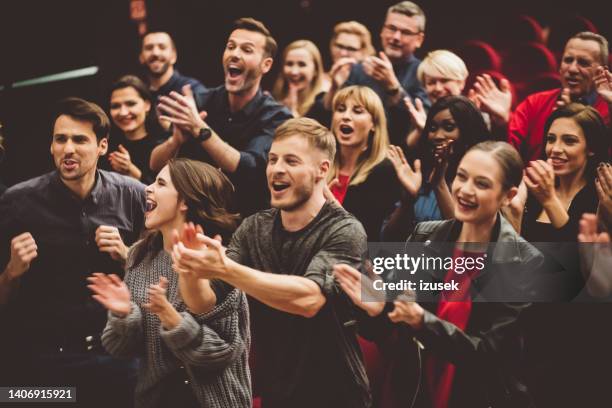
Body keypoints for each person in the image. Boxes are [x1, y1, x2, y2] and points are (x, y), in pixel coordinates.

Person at [171, 118, 372, 408]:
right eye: (272, 159)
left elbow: (309, 300)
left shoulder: (345, 229)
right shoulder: (254, 227)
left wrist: (225, 269)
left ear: (322, 170)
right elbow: (204, 304)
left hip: (337, 394)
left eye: (291, 161)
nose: (276, 169)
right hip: (276, 392)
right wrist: (191, 272)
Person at [336, 140, 539, 408]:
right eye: (461, 176)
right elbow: (391, 324)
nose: (465, 190)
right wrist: (377, 309)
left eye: (482, 184)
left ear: (509, 195)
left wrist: (423, 321)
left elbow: (488, 357)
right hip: (412, 392)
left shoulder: (523, 261)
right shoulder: (427, 235)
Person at [0, 97, 146, 406]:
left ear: (102, 146)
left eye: (80, 140)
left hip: (119, 356)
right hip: (45, 361)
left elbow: (162, 281)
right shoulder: (17, 201)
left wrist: (127, 254)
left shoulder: (132, 195)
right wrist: (11, 272)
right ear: (51, 146)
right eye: (60, 139)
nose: (68, 149)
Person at [89, 158, 251, 408]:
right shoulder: (139, 255)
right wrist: (124, 315)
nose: (147, 188)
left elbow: (222, 353)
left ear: (185, 201)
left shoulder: (218, 260)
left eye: (160, 183)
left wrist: (171, 318)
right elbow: (119, 348)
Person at [152, 17, 293, 216]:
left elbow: (248, 168)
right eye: (231, 46)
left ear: (266, 65)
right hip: (191, 217)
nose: (234, 54)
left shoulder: (276, 117)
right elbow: (155, 165)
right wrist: (174, 142)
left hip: (244, 222)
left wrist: (199, 129)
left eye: (247, 49)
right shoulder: (200, 102)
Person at [470, 32, 610, 163]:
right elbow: (509, 158)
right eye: (568, 60)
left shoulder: (608, 109)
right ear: (560, 67)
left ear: (601, 71)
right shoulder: (534, 103)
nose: (572, 69)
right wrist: (502, 123)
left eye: (583, 63)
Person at [322, 1, 429, 146]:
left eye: (405, 32)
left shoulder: (425, 73)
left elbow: (422, 124)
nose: (396, 37)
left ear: (419, 40)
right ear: (382, 31)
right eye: (391, 28)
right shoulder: (360, 69)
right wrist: (335, 87)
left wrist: (394, 88)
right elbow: (332, 115)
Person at [383, 96, 490, 241]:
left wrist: (439, 184)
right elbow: (388, 239)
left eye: (449, 128)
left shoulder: (484, 182)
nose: (438, 136)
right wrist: (407, 202)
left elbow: (466, 241)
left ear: (468, 131)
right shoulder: (419, 175)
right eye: (432, 128)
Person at [327, 85, 399, 241]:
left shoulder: (383, 172)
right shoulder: (321, 164)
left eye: (357, 111)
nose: (346, 116)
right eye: (340, 109)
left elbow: (370, 236)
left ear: (373, 124)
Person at [105, 75, 167, 184]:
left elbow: (167, 194)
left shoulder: (163, 146)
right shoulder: (106, 147)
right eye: (115, 106)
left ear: (147, 105)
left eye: (131, 104)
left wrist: (131, 171)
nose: (123, 112)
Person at [405, 49, 469, 148]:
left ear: (461, 83)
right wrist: (421, 130)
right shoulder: (422, 112)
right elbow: (409, 147)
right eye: (431, 82)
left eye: (444, 80)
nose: (438, 88)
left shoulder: (475, 111)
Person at [139, 31, 206, 109]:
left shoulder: (192, 89)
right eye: (149, 48)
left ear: (173, 56)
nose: (155, 53)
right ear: (141, 57)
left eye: (162, 47)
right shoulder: (137, 92)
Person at [272, 40, 324, 117]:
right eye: (289, 64)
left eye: (302, 64)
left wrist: (291, 112)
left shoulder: (322, 106)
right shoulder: (272, 100)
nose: (294, 72)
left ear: (315, 70)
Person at [322, 21, 376, 91]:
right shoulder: (319, 80)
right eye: (339, 46)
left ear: (363, 52)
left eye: (351, 49)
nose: (343, 53)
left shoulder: (370, 83)